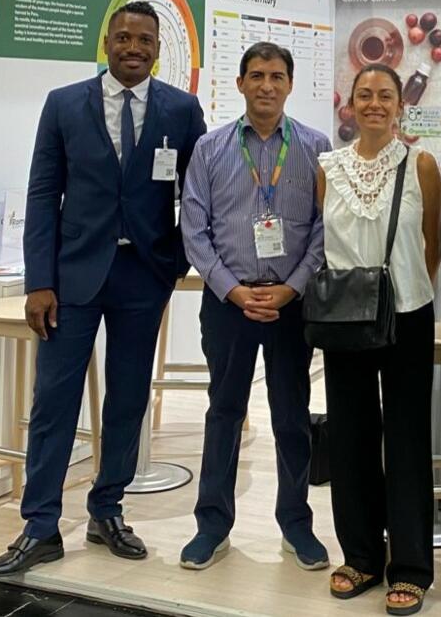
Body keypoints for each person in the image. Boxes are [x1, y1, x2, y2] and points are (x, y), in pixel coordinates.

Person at [0, 0, 206, 576]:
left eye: (145, 40)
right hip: (73, 278)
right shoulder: (64, 104)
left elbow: (199, 191)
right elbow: (42, 194)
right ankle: (40, 526)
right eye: (124, 37)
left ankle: (107, 510)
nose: (134, 48)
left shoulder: (181, 109)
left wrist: (175, 259)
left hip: (143, 277)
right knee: (54, 401)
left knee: (128, 399)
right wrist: (40, 281)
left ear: (158, 49)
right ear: (106, 42)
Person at [178, 41, 331, 571]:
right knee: (224, 412)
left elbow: (324, 228)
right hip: (229, 303)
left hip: (292, 305)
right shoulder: (210, 148)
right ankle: (212, 526)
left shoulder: (316, 147)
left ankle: (296, 524)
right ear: (240, 83)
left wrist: (292, 286)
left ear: (290, 85)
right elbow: (194, 229)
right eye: (257, 75)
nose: (267, 85)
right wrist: (232, 289)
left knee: (291, 415)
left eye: (277, 76)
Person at [319, 64, 441, 617]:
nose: (374, 103)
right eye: (365, 94)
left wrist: (405, 291)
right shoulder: (327, 168)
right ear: (350, 104)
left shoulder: (421, 165)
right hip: (345, 315)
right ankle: (362, 556)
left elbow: (432, 242)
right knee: (351, 435)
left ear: (400, 105)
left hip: (408, 313)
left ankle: (411, 566)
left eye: (385, 95)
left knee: (408, 437)